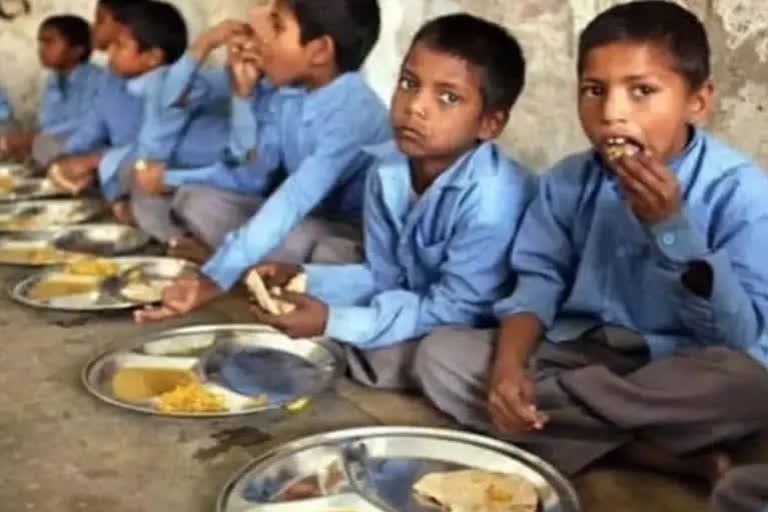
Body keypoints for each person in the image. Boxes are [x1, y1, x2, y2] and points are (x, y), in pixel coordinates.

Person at [412, 0, 768, 487]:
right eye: (593, 91)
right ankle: (660, 453)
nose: (612, 114)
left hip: (676, 362)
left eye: (642, 91)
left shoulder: (740, 191)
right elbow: (537, 281)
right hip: (577, 350)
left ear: (697, 101)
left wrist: (670, 227)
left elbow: (738, 338)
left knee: (748, 385)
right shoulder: (567, 181)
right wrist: (508, 371)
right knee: (440, 356)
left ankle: (560, 426)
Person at [246, 13, 534, 390]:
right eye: (409, 83)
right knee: (327, 258)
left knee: (425, 355)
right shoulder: (386, 168)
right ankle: (342, 339)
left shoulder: (493, 199)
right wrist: (303, 278)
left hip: (470, 323)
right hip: (414, 298)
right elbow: (385, 274)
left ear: (489, 124)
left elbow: (455, 310)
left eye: (448, 97)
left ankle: (345, 345)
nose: (415, 106)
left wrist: (334, 321)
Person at [134, 0, 390, 323]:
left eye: (277, 26)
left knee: (309, 243)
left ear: (320, 51)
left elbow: (292, 200)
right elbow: (251, 176)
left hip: (343, 233)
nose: (263, 38)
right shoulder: (287, 93)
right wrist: (243, 97)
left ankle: (241, 267)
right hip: (294, 218)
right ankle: (251, 270)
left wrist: (213, 280)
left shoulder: (355, 112)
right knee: (197, 199)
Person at [47, 0, 147, 192]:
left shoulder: (164, 82)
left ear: (125, 26)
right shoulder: (111, 77)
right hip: (116, 173)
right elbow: (91, 128)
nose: (93, 28)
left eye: (100, 21)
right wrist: (65, 160)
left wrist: (93, 161)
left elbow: (154, 148)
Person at [1, 15, 100, 165]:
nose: (41, 50)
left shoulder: (97, 80)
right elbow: (48, 124)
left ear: (77, 50)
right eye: (40, 43)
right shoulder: (53, 81)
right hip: (56, 153)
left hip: (89, 155)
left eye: (49, 43)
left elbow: (87, 129)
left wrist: (33, 140)